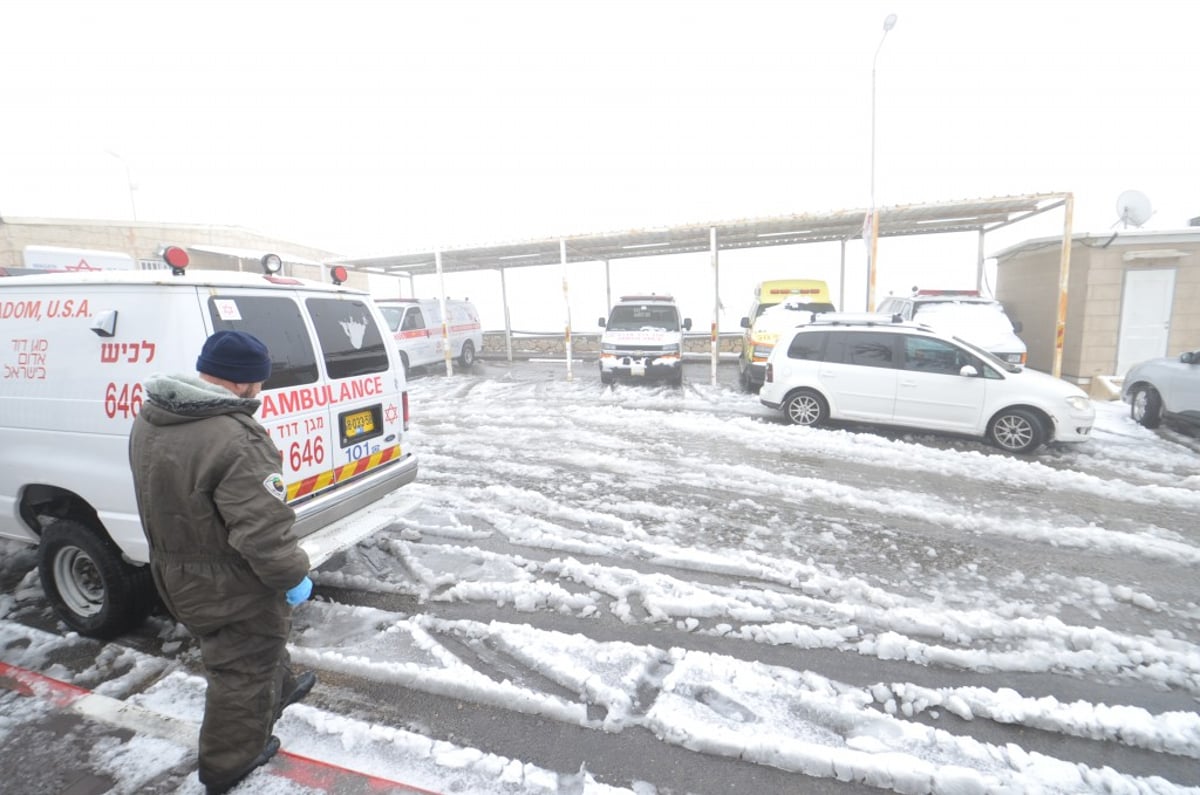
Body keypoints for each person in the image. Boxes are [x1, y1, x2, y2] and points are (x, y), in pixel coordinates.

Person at [128, 330, 316, 794]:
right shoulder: (235, 437)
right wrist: (293, 576)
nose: (261, 392)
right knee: (241, 666)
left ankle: (281, 687)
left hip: (176, 569)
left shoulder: (154, 418)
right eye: (260, 383)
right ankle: (229, 761)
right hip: (226, 578)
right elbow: (263, 533)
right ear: (247, 383)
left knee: (258, 641)